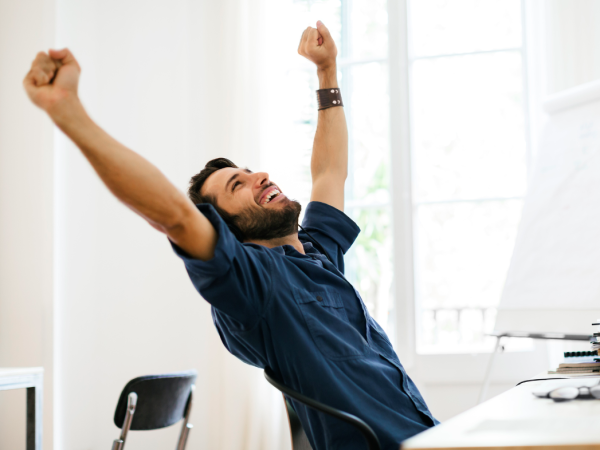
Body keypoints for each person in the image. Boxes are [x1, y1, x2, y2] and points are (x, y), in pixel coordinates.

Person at [24, 20, 438, 450]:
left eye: (248, 172)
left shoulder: (317, 255)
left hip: (433, 436)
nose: (259, 176)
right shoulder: (254, 287)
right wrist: (69, 113)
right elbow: (175, 216)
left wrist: (327, 70)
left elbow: (330, 171)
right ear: (225, 228)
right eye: (237, 186)